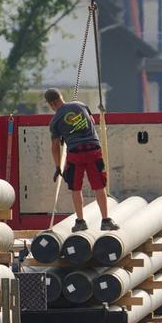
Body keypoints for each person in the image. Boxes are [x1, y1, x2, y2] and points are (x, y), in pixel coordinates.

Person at [45, 88, 117, 232]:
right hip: (93, 150)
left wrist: (58, 167)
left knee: (76, 188)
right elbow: (91, 121)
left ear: (51, 104)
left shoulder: (55, 121)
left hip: (75, 154)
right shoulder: (81, 105)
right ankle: (105, 220)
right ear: (61, 97)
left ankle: (80, 221)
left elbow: (54, 147)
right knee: (99, 186)